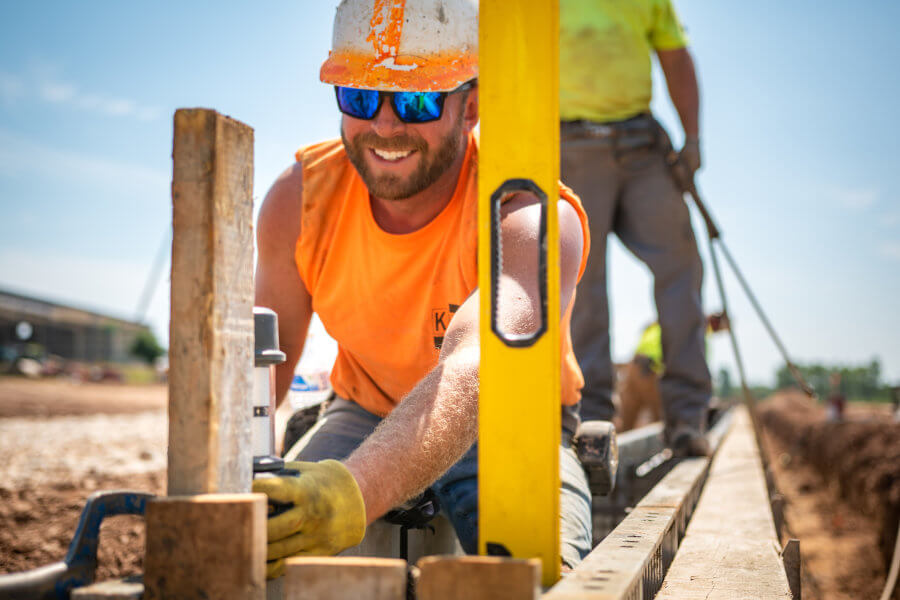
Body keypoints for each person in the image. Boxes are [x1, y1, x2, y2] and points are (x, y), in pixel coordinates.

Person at [252, 0, 594, 577]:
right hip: (365, 414)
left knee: (540, 578)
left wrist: (348, 494)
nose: (386, 125)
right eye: (360, 97)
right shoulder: (300, 201)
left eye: (417, 100)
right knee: (266, 556)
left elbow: (483, 361)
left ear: (471, 106)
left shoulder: (529, 214)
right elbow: (263, 368)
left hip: (509, 422)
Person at [559, 0, 710, 455]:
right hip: (567, 142)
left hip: (639, 143)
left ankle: (686, 418)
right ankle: (591, 419)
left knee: (681, 261)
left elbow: (675, 56)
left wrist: (692, 140)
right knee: (582, 273)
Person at [618, 312, 728, 432]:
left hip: (638, 366)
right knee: (659, 419)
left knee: (628, 421)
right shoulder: (695, 337)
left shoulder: (677, 320)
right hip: (651, 371)